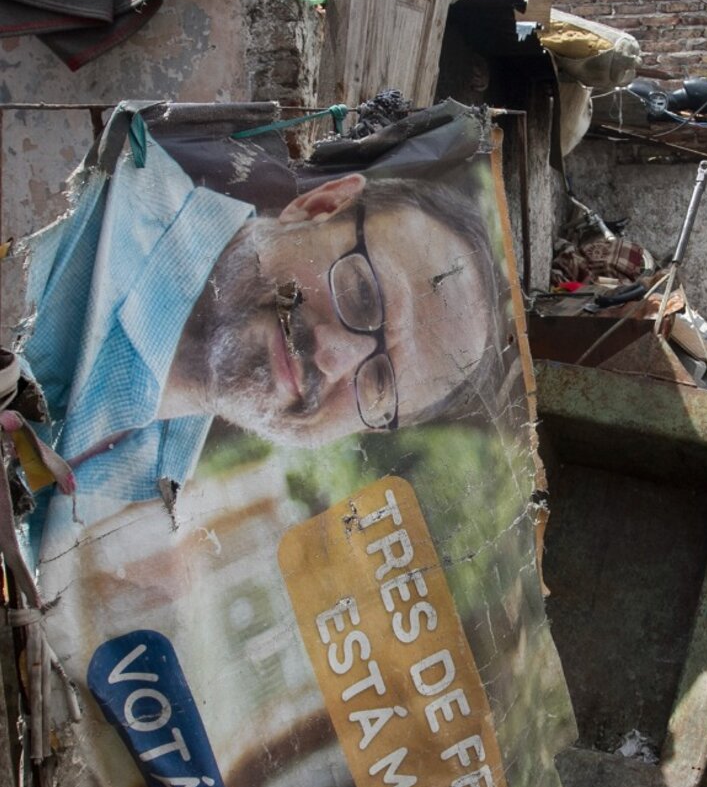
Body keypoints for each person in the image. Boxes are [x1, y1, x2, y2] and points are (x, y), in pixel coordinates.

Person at [23, 121, 504, 545]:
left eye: (378, 386)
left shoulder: (148, 500)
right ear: (320, 204)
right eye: (362, 296)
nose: (333, 358)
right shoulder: (75, 199)